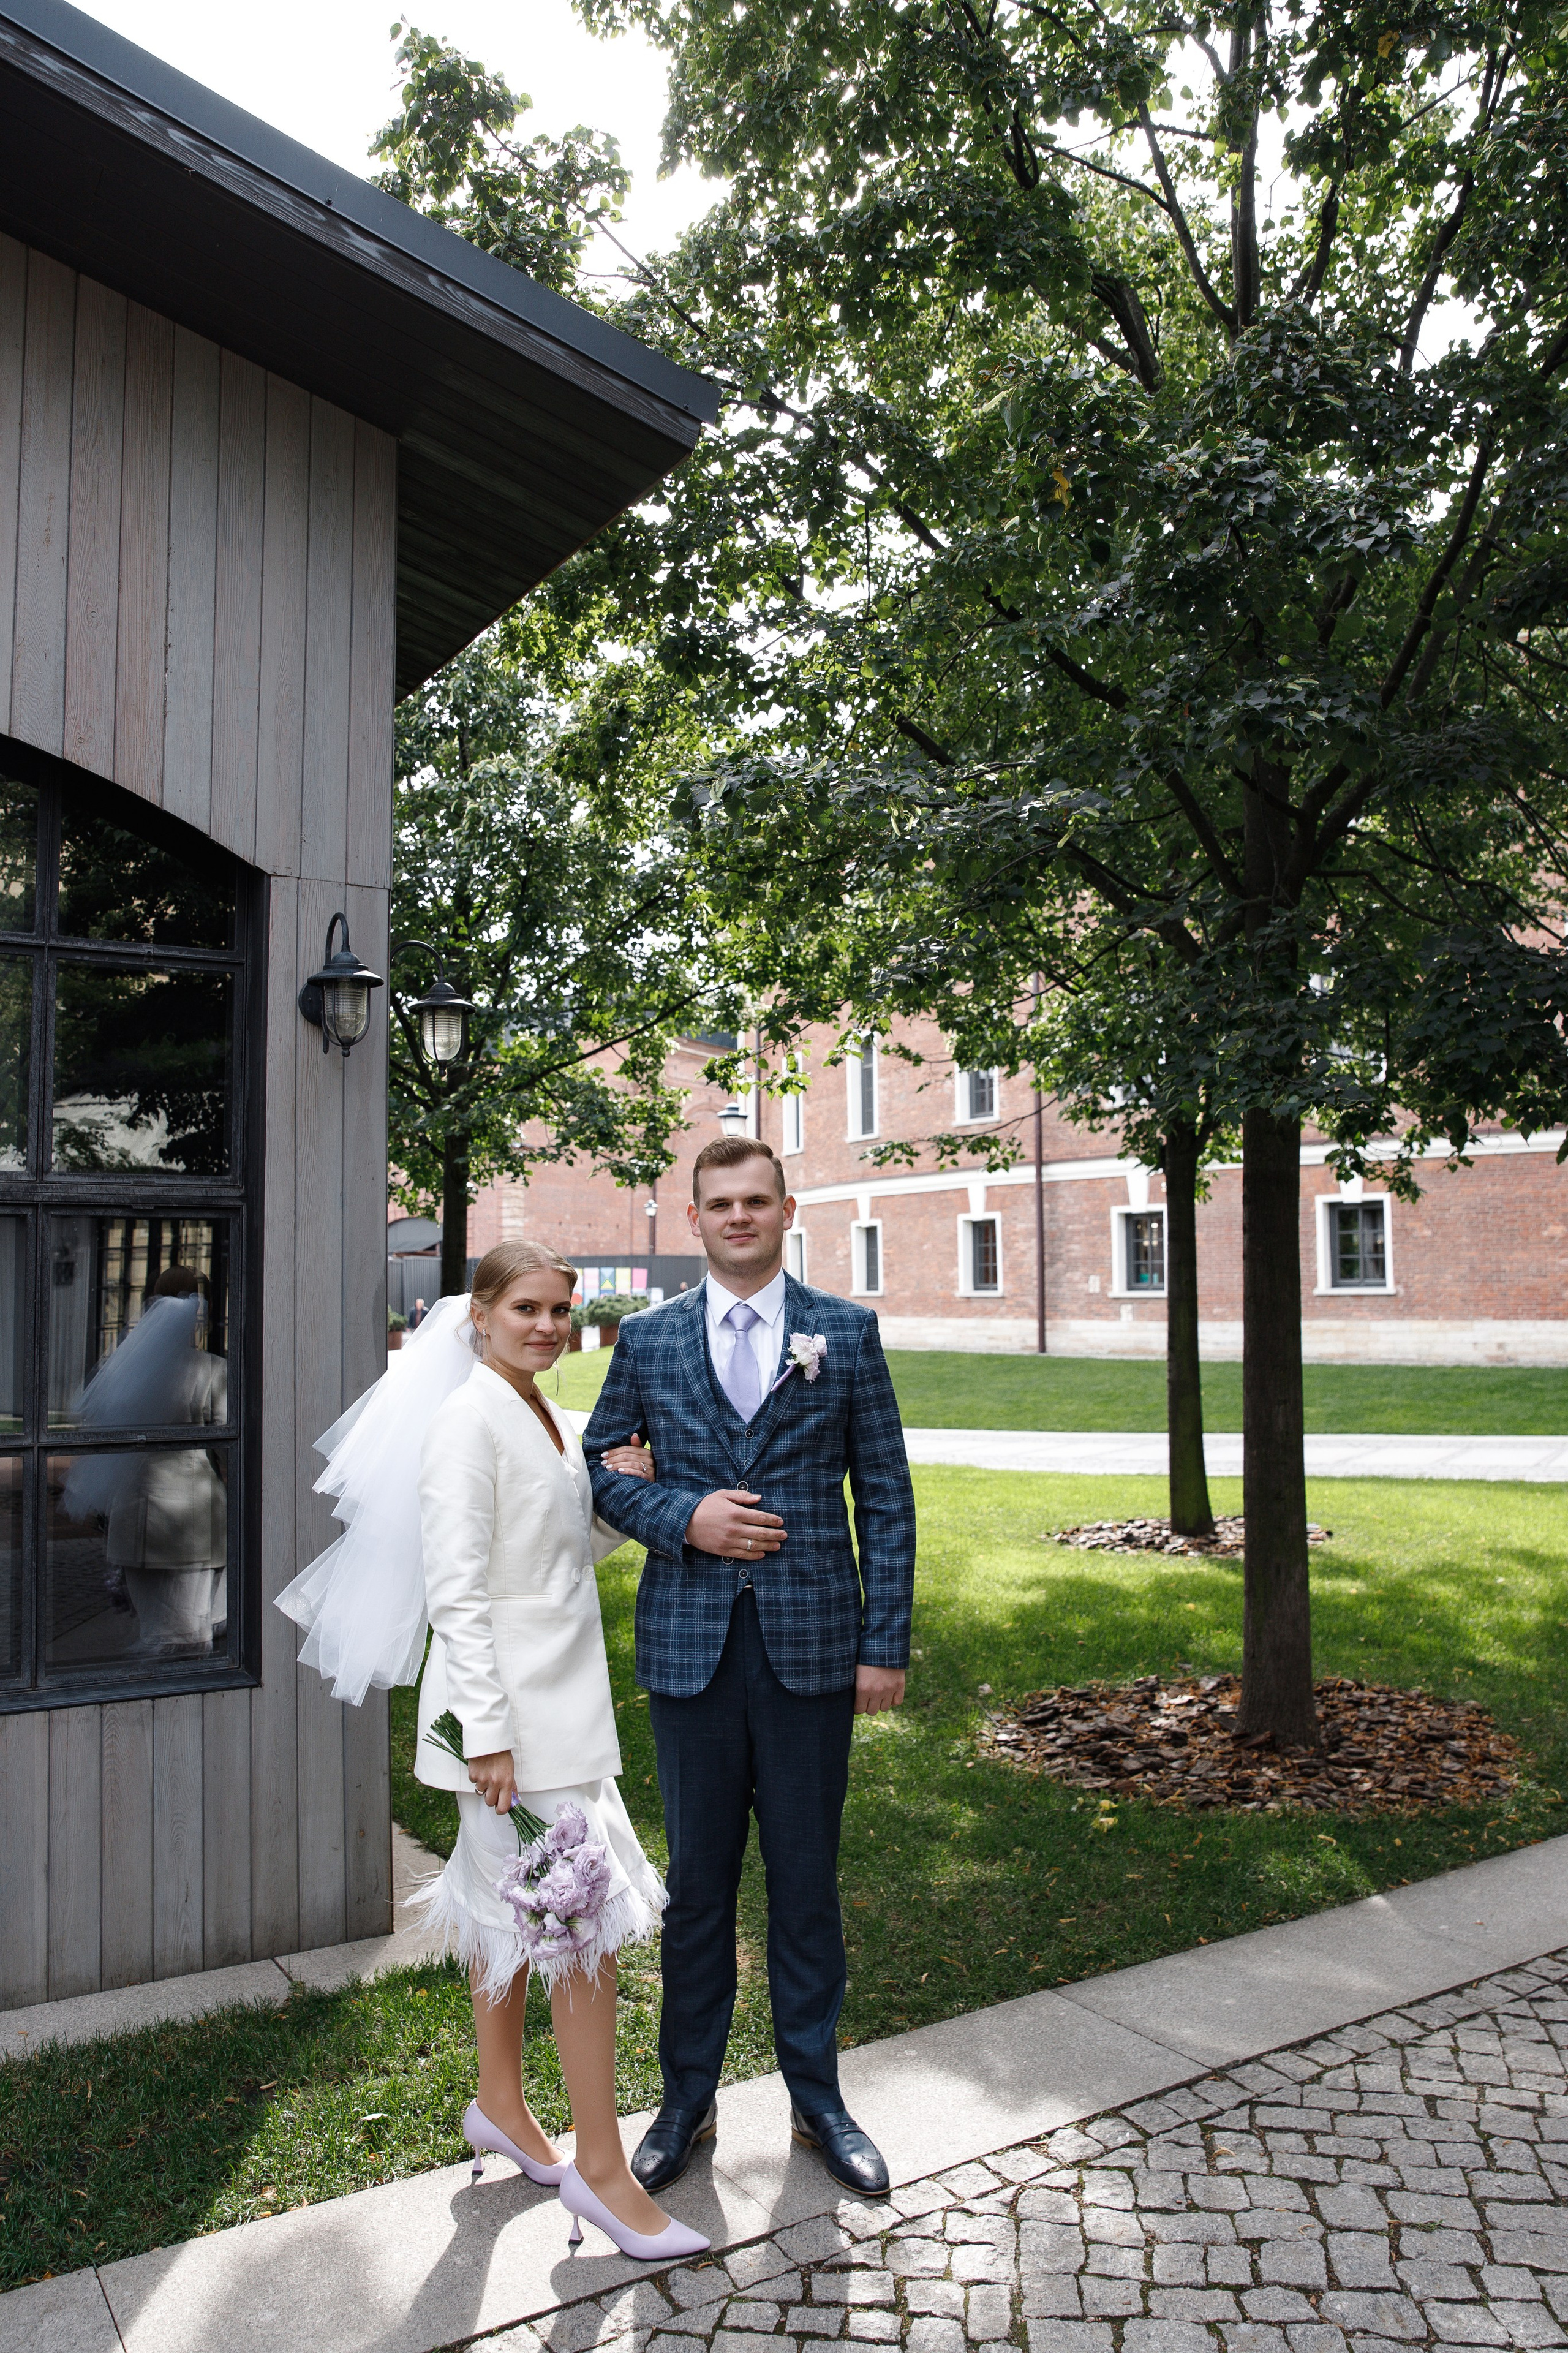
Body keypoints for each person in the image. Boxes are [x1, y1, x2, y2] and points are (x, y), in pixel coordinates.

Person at [277, 1242, 706, 2264]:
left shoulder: (541, 1413)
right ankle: (604, 2176)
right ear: (477, 1314)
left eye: (562, 1309)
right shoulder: (466, 1420)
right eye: (528, 1307)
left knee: (507, 1918)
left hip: (554, 1716)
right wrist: (487, 1741)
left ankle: (501, 2105)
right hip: (514, 1736)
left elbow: (544, 1551)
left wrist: (611, 1499)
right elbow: (458, 1589)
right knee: (581, 1940)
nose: (549, 1325)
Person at [584, 1136, 916, 2197]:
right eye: (719, 1203)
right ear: (694, 1220)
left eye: (756, 1201)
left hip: (815, 1650)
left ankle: (817, 2098)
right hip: (690, 1652)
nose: (738, 1217)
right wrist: (686, 1515)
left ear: (785, 1210)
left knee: (808, 1883)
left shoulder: (846, 1335)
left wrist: (883, 1642)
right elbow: (597, 1467)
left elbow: (888, 1498)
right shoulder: (645, 1339)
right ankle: (687, 2099)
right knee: (700, 1889)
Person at [62, 1264, 228, 1656]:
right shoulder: (211, 1370)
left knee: (157, 1626)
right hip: (191, 1515)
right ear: (198, 1312)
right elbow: (226, 1445)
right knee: (190, 1633)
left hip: (135, 1511)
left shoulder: (123, 1371)